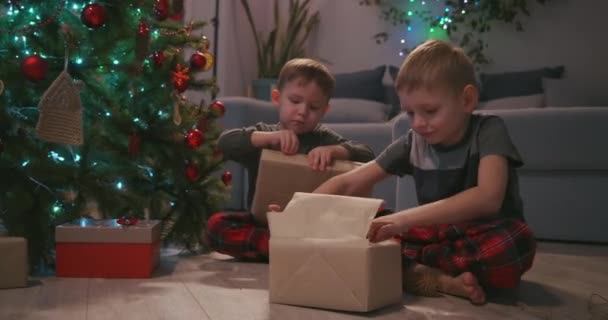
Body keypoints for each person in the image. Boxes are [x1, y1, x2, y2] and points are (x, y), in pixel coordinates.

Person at [305, 40, 536, 304]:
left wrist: (402, 221)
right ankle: (438, 278)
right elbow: (347, 183)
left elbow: (488, 198)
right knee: (365, 224)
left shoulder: (489, 130)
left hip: (483, 234)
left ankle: (408, 269)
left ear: (467, 99)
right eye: (410, 113)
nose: (418, 123)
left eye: (430, 111)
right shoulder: (412, 141)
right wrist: (300, 210)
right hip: (436, 236)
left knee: (514, 244)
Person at [206, 58, 375, 261]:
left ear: (325, 110)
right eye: (295, 101)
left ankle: (280, 249)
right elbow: (224, 143)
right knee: (216, 225)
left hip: (313, 227)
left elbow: (368, 156)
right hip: (265, 223)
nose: (302, 112)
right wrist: (269, 138)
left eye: (314, 107)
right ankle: (281, 248)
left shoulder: (325, 139)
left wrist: (336, 151)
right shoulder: (266, 134)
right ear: (277, 97)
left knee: (379, 217)